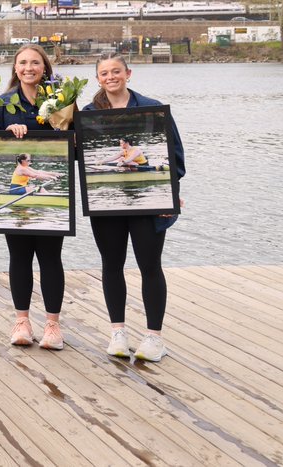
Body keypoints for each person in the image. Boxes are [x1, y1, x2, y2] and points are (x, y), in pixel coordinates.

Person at [83, 53, 185, 362]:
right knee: (111, 265)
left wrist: (171, 194)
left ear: (129, 73)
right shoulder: (89, 113)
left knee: (150, 265)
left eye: (116, 71)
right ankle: (118, 333)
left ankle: (154, 337)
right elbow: (83, 159)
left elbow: (175, 155)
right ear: (98, 79)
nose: (111, 77)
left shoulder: (151, 108)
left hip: (148, 204)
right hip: (107, 204)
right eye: (104, 73)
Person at [0, 43, 68, 350]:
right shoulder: (1, 103)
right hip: (14, 195)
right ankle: (21, 322)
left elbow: (76, 142)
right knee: (19, 257)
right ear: (14, 69)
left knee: (50, 258)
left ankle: (53, 326)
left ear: (45, 67)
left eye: (35, 63)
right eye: (23, 63)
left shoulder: (60, 101)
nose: (29, 68)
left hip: (49, 206)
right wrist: (7, 131)